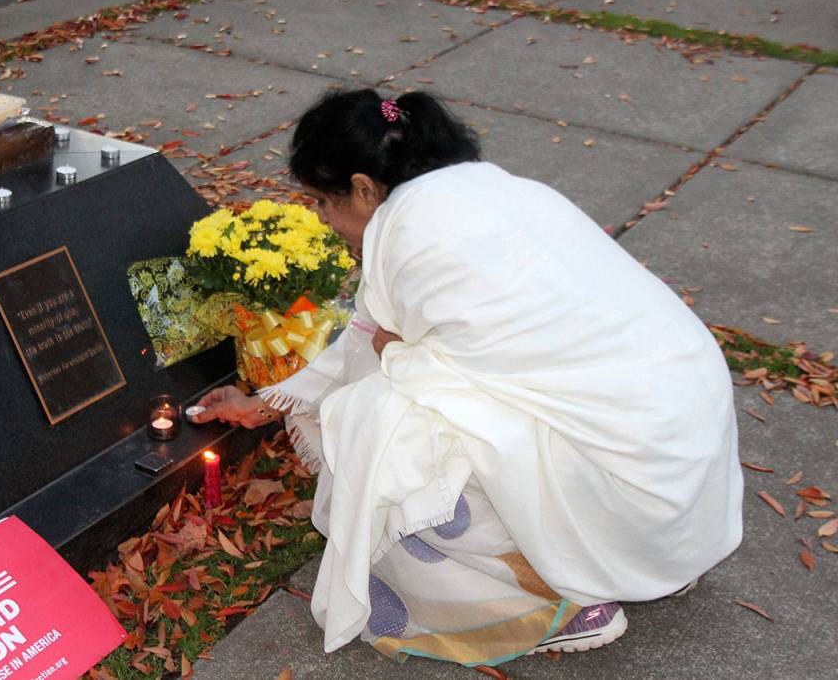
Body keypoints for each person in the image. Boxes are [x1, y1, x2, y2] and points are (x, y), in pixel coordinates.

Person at [194, 89, 743, 668]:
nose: (324, 220)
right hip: (682, 463)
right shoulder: (489, 188)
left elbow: (399, 362)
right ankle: (649, 560)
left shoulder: (410, 231)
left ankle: (555, 604)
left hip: (629, 474)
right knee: (389, 392)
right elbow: (386, 339)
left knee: (385, 428)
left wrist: (390, 354)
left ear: (363, 188)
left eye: (323, 202)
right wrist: (266, 402)